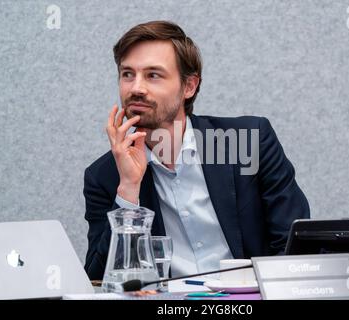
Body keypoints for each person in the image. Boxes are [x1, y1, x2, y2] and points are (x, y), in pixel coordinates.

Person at [83, 20, 310, 280]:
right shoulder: (105, 177)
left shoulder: (249, 142)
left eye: (153, 75)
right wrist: (128, 192)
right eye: (127, 74)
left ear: (189, 86)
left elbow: (295, 246)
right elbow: (99, 279)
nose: (136, 88)